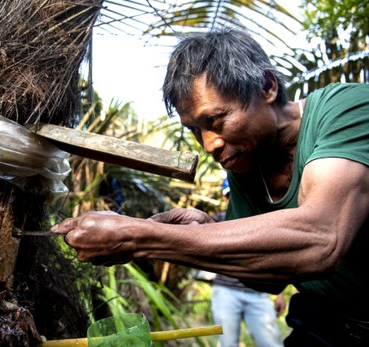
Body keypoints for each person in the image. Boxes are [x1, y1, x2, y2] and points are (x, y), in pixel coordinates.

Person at [51, 28, 369, 346]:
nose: (208, 145)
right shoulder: (247, 163)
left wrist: (138, 237)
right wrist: (202, 230)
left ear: (267, 87)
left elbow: (321, 238)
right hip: (325, 323)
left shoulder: (347, 110)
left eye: (215, 120)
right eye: (194, 130)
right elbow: (269, 279)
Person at [211, 178, 285, 347]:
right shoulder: (217, 221)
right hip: (226, 291)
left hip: (258, 293)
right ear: (225, 198)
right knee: (227, 342)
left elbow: (276, 259)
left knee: (271, 342)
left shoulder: (263, 221)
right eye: (231, 195)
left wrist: (279, 294)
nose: (235, 199)